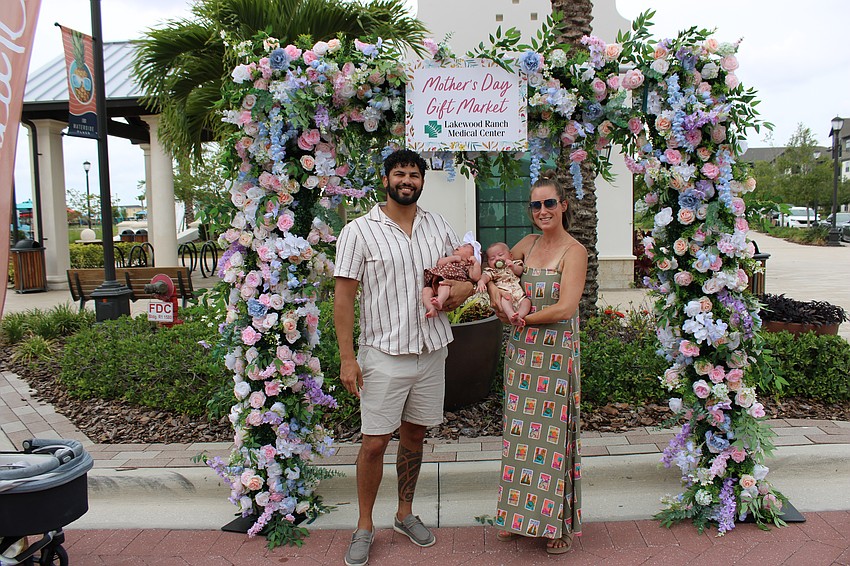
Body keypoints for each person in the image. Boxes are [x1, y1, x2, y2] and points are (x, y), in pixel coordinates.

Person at [334, 148, 474, 566]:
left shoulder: (439, 227)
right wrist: (346, 358)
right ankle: (363, 525)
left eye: (414, 174)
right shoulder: (359, 231)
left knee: (415, 438)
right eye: (399, 173)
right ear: (386, 180)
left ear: (422, 181)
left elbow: (466, 279)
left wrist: (457, 296)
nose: (407, 180)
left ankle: (404, 513)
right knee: (374, 443)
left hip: (431, 351)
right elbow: (344, 299)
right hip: (383, 354)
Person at [487, 171, 587, 555]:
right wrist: (498, 296)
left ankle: (556, 525)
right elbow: (497, 273)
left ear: (563, 205)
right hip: (523, 353)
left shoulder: (573, 251)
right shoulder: (527, 243)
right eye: (536, 205)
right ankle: (517, 517)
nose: (542, 210)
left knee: (553, 439)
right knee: (520, 436)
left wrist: (523, 318)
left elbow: (566, 307)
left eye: (549, 203)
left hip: (556, 354)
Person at [422, 233, 482, 318]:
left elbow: (476, 277)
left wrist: (475, 263)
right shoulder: (452, 259)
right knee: (426, 291)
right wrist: (452, 258)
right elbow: (439, 263)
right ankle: (431, 308)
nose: (459, 246)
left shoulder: (467, 267)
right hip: (436, 280)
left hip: (447, 283)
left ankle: (439, 301)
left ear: (471, 257)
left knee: (444, 287)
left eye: (464, 247)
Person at [476, 242, 531, 326]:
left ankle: (519, 315)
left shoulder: (515, 264)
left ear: (510, 256)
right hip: (505, 294)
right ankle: (510, 314)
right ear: (488, 263)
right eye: (492, 258)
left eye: (500, 255)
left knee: (527, 302)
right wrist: (481, 281)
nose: (497, 259)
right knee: (505, 300)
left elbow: (520, 271)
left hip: (519, 294)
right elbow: (486, 276)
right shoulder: (493, 271)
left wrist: (513, 267)